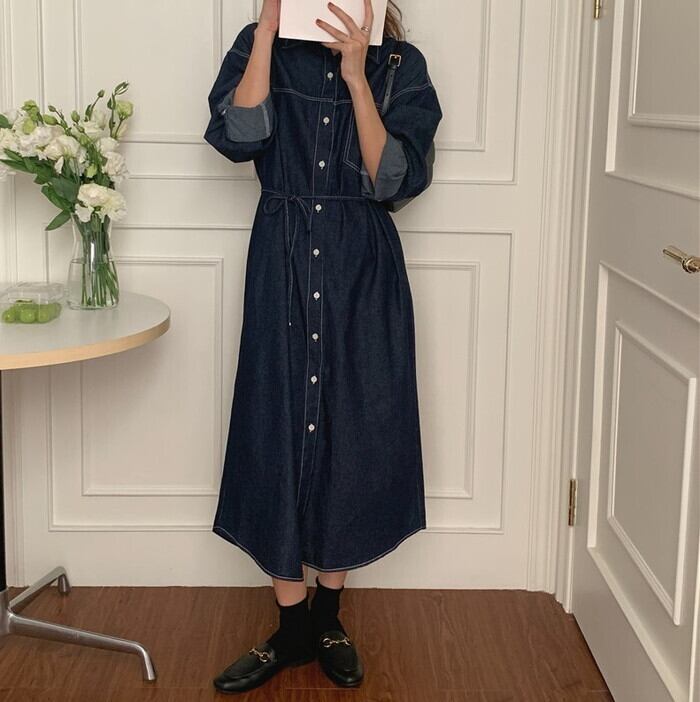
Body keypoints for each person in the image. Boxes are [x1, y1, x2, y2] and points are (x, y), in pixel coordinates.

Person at [203, 0, 442, 693]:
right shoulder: (259, 46)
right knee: (276, 426)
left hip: (360, 266)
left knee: (354, 431)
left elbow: (393, 179)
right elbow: (239, 136)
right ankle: (290, 629)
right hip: (280, 259)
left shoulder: (400, 65)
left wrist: (358, 76)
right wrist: (267, 31)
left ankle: (328, 619)